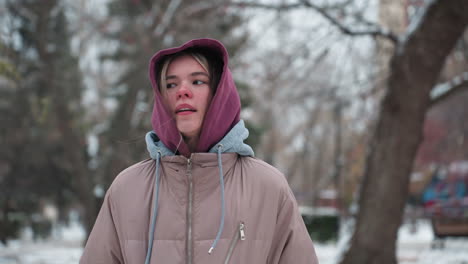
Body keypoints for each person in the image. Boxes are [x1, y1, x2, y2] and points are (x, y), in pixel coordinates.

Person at [80, 38, 318, 264]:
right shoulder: (127, 188)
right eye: (171, 84)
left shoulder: (268, 187)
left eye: (197, 81)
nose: (182, 91)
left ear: (220, 95)